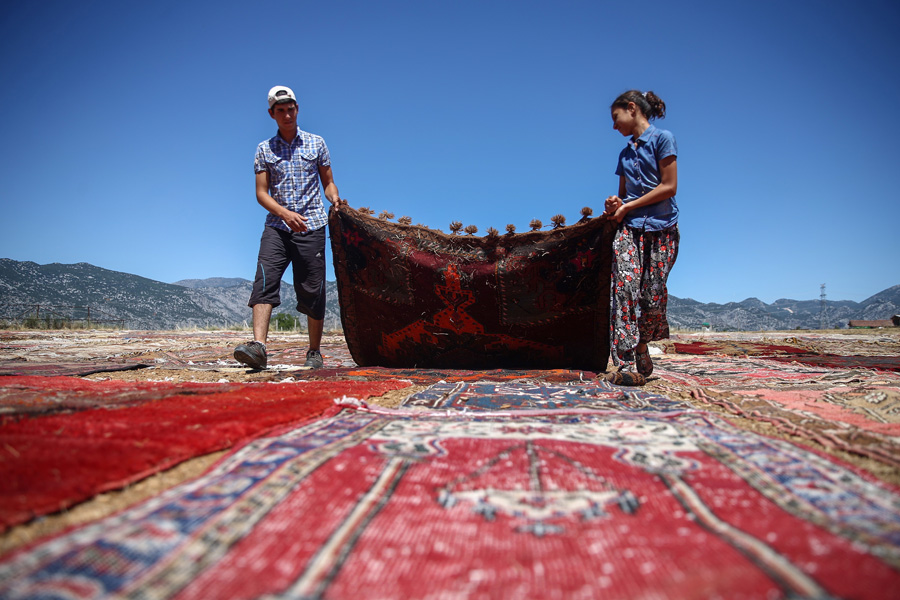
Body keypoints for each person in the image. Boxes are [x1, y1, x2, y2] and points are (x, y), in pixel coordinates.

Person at [233, 85, 345, 370]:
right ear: (271, 114)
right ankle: (258, 347)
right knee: (265, 279)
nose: (287, 115)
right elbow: (261, 193)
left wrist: (334, 198)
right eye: (280, 110)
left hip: (312, 226)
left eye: (290, 109)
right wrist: (284, 214)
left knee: (312, 288)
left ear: (297, 110)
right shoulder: (264, 149)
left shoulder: (316, 143)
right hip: (277, 228)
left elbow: (328, 181)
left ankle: (314, 352)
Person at [602, 90, 679, 378]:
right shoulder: (624, 154)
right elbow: (623, 197)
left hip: (662, 229)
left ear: (632, 108)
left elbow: (669, 186)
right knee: (623, 289)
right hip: (630, 230)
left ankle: (642, 345)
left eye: (615, 117)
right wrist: (615, 204)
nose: (614, 125)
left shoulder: (662, 139)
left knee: (652, 296)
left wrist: (629, 205)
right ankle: (622, 362)